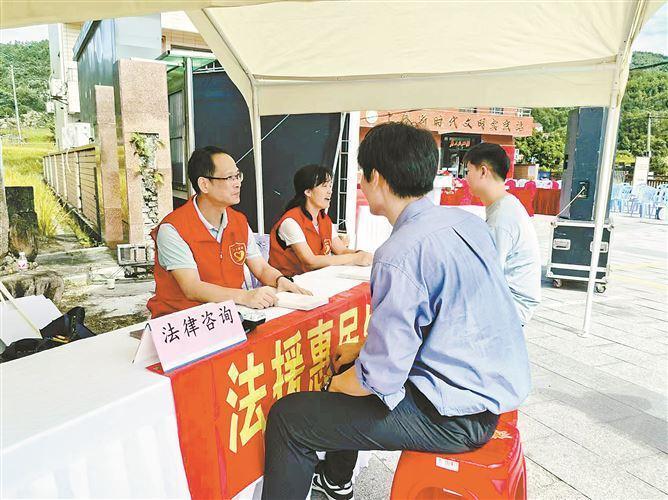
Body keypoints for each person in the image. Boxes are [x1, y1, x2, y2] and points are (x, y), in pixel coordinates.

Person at [261, 122, 531, 500]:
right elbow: (439, 320)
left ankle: (327, 474)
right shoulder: (467, 223)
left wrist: (339, 386)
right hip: (487, 390)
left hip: (453, 416)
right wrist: (360, 353)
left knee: (291, 418)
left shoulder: (399, 253)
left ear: (377, 177)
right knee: (348, 363)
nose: (361, 182)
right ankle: (337, 481)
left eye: (363, 174)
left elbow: (379, 379)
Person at [147, 146, 310, 318]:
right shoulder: (173, 228)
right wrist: (245, 296)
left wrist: (280, 280)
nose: (237, 183)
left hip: (227, 316)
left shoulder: (238, 221)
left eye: (238, 176)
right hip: (183, 321)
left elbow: (261, 268)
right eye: (229, 177)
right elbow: (192, 287)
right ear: (204, 184)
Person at [464, 142, 542, 325]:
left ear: (483, 171)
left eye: (468, 171)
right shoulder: (506, 203)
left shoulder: (501, 218)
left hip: (512, 306)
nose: (466, 178)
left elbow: (486, 275)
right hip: (509, 299)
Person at [269, 164, 372, 276]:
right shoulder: (290, 222)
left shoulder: (325, 220)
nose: (330, 191)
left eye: (330, 186)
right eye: (324, 186)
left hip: (315, 279)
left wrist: (361, 254)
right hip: (287, 283)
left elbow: (341, 251)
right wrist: (355, 258)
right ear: (308, 192)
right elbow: (310, 262)